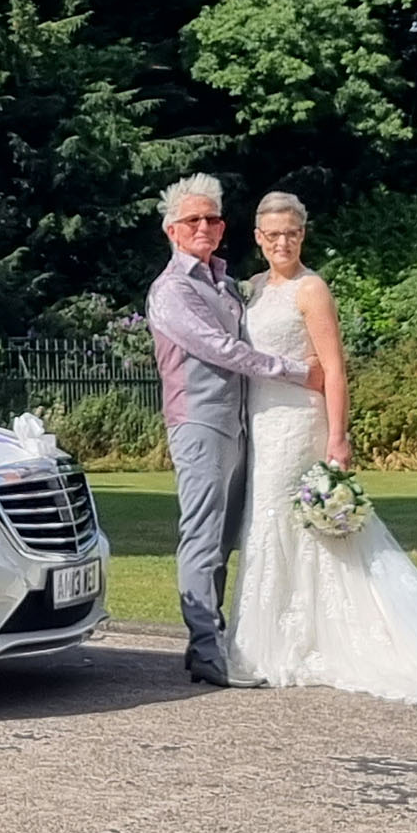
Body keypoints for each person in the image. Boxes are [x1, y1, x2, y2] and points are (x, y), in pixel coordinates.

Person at [228, 192, 417, 727]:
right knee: (267, 525)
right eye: (272, 234)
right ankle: (272, 638)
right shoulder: (253, 290)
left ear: (304, 234)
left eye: (291, 233)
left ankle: (291, 643)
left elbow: (335, 368)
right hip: (262, 422)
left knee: (291, 523)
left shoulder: (312, 288)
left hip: (301, 422)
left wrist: (339, 437)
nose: (282, 242)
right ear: (257, 236)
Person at [146, 174, 324, 688]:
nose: (203, 226)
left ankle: (208, 641)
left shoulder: (225, 284)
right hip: (199, 423)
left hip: (243, 426)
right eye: (192, 220)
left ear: (223, 228)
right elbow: (220, 350)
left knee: (225, 540)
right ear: (172, 231)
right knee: (201, 538)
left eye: (212, 219)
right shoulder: (173, 289)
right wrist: (294, 371)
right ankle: (207, 648)